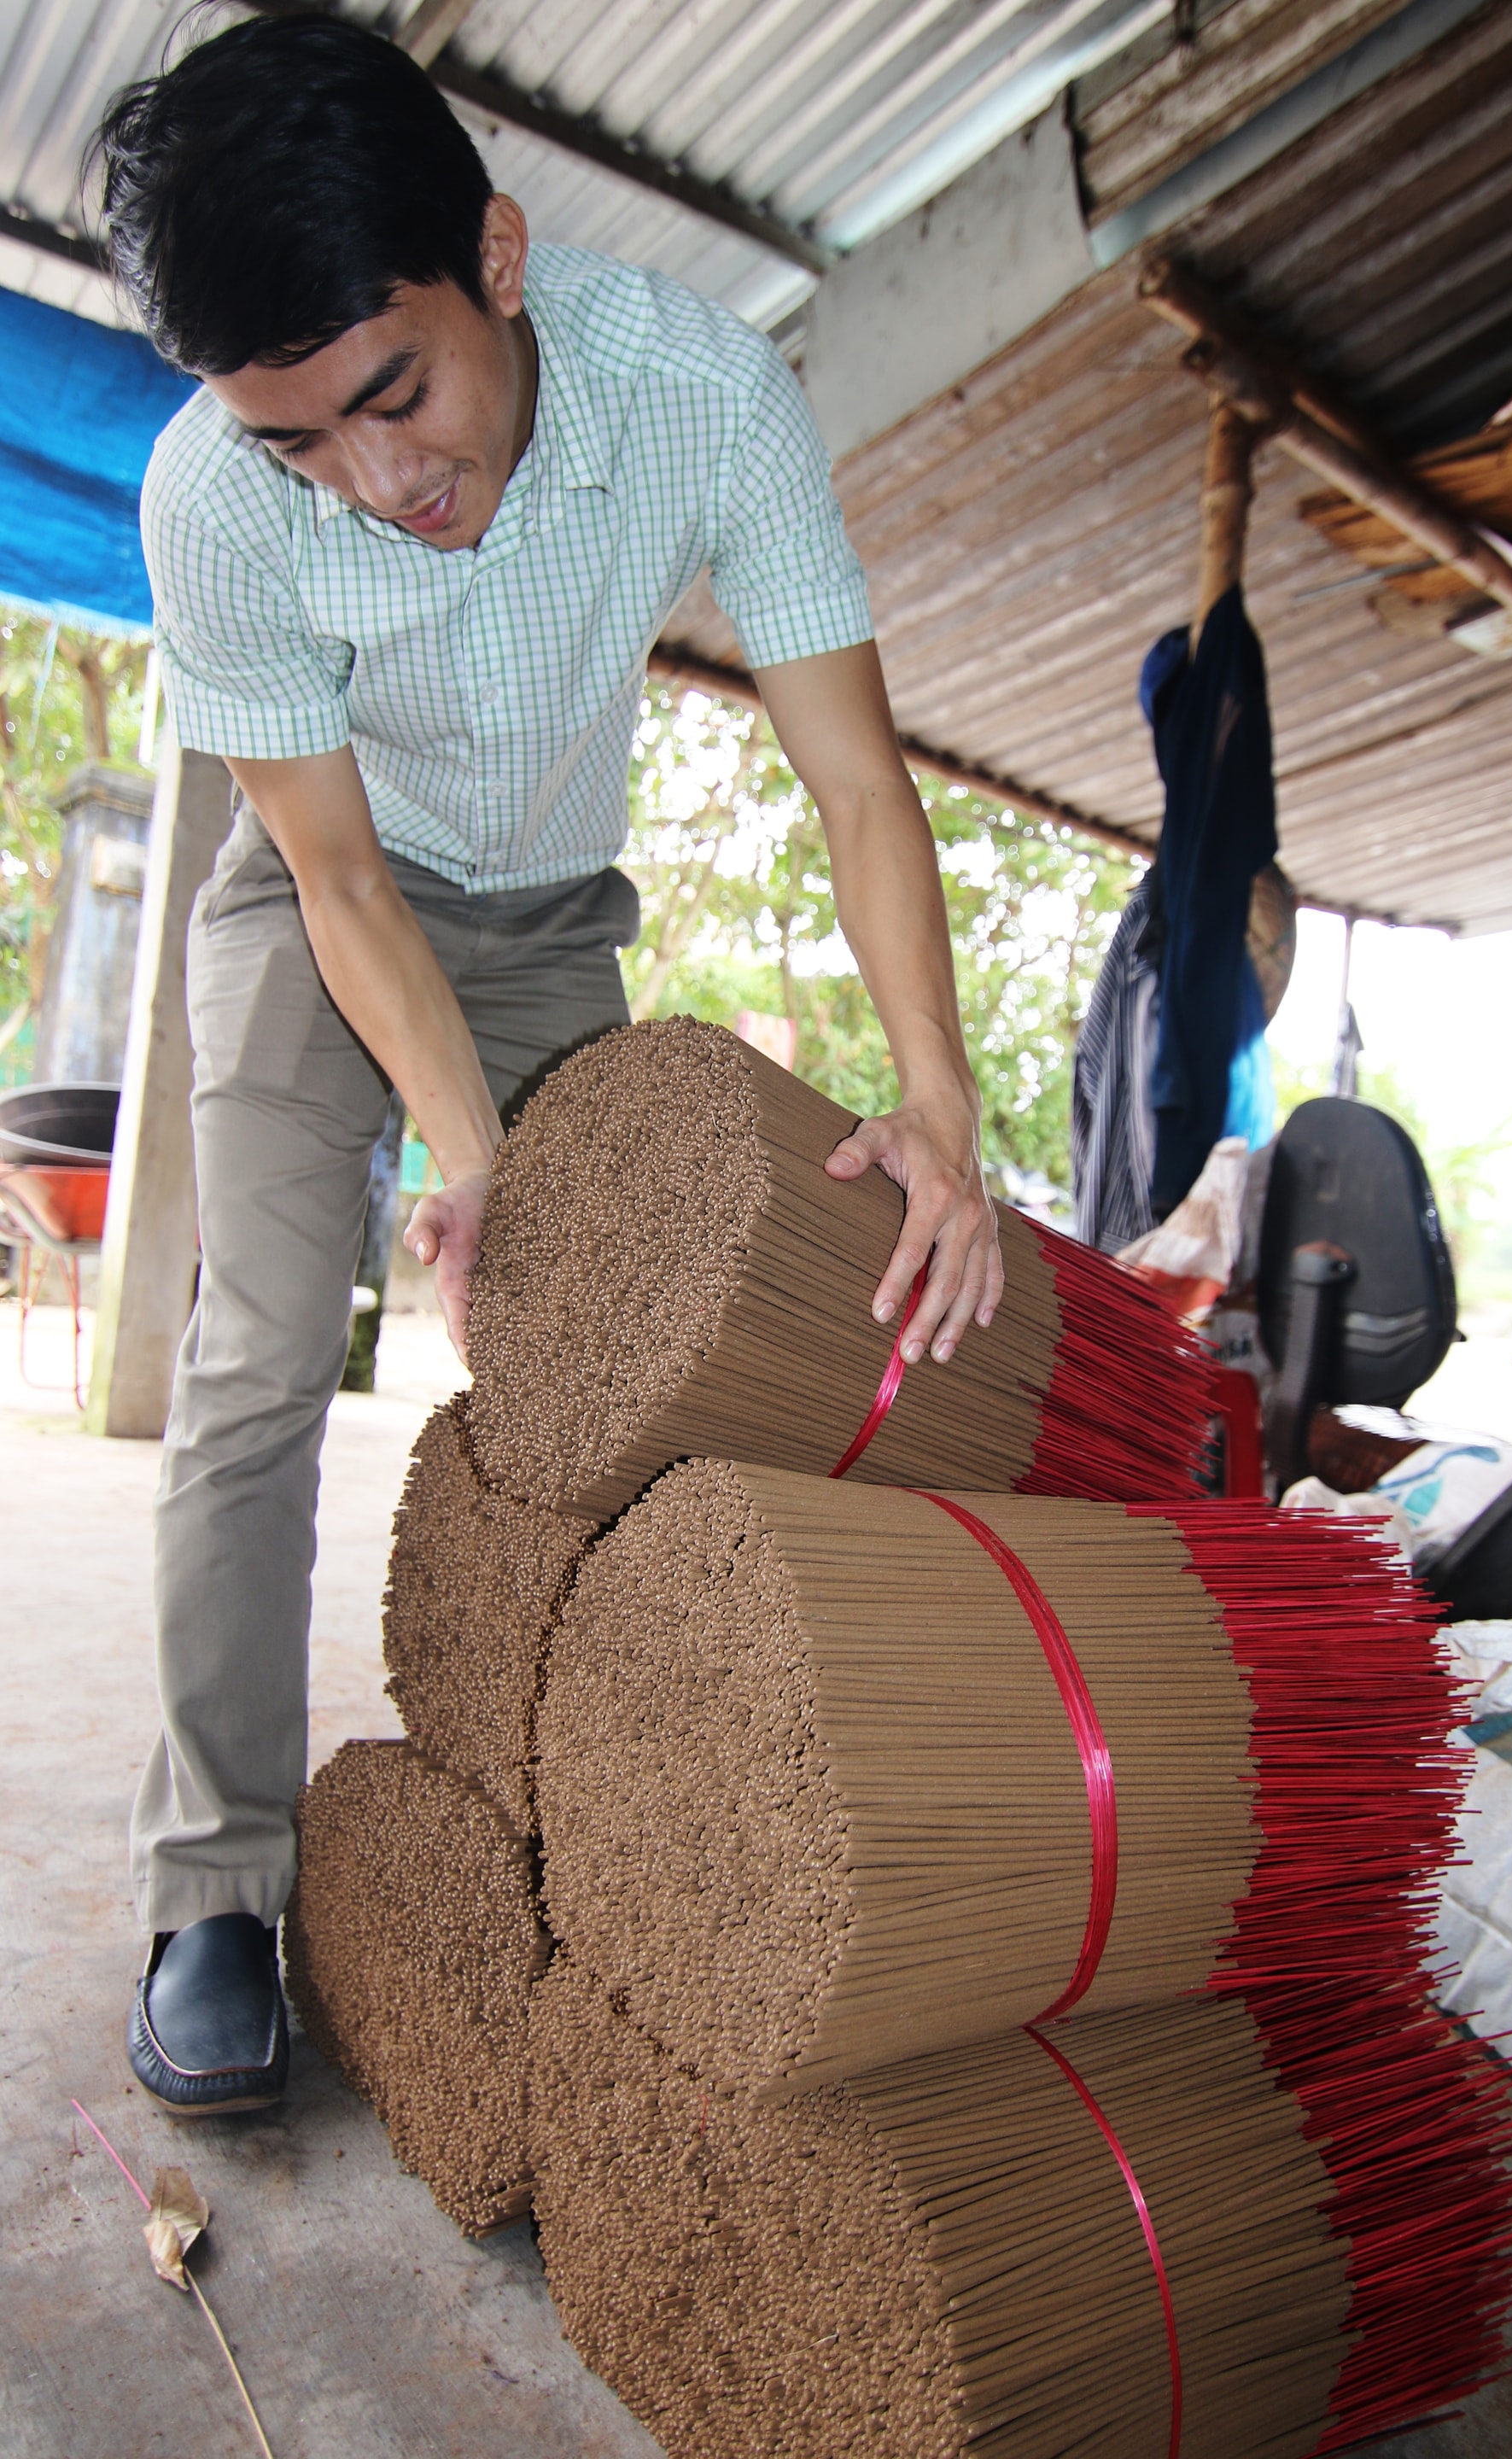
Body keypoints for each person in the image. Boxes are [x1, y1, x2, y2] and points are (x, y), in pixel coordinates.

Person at [94, 12, 1001, 2117]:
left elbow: (858, 778)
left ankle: (587, 1828)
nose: (375, 482)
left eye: (393, 398)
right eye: (300, 446)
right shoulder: (207, 506)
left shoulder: (700, 389)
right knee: (251, 1370)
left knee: (618, 1383)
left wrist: (936, 1093)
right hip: (321, 910)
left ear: (496, 256)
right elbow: (330, 880)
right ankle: (214, 1884)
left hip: (551, 912)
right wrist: (468, 1147)